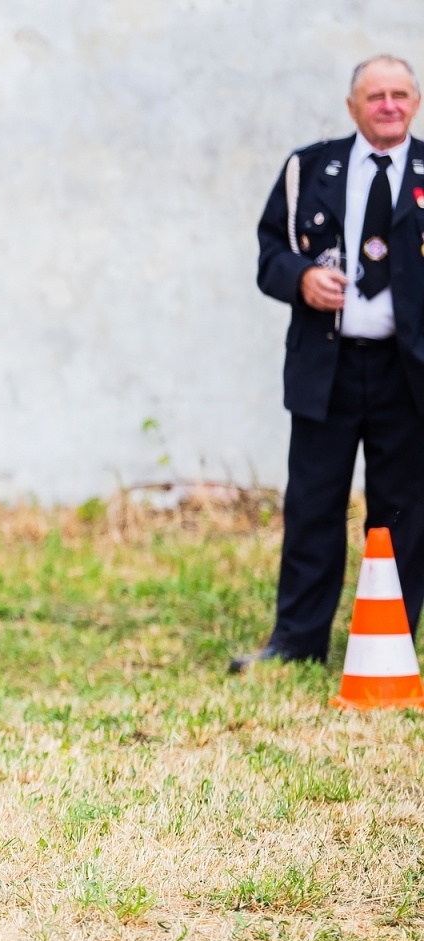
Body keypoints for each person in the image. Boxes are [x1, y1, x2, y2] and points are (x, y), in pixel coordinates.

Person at [235, 55, 424, 671]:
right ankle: (296, 644)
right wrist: (301, 279)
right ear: (353, 107)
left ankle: (391, 646)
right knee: (313, 507)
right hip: (328, 368)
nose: (389, 105)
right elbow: (268, 255)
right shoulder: (307, 170)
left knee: (400, 512)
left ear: (415, 103)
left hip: (407, 373)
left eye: (400, 94)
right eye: (376, 96)